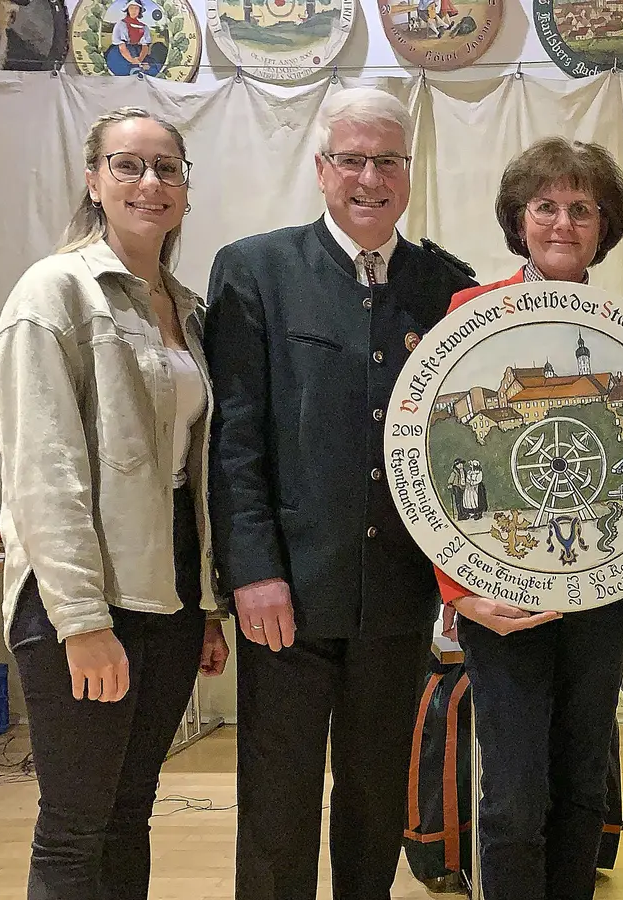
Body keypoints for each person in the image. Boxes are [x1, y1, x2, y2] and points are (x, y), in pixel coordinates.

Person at [204, 87, 477, 900]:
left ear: (408, 172)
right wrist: (251, 571)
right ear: (322, 170)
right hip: (285, 595)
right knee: (278, 806)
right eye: (351, 159)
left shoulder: (445, 284)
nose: (369, 177)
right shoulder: (254, 270)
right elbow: (235, 438)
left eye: (386, 161)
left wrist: (464, 577)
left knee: (372, 801)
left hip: (396, 597)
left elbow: (460, 444)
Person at [0, 106, 230, 900]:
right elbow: (43, 471)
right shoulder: (53, 292)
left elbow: (187, 473)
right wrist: (83, 622)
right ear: (94, 181)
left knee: (131, 811)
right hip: (82, 600)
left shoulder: (186, 311)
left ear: (186, 191)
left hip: (165, 592)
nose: (149, 183)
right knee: (74, 826)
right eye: (128, 165)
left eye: (167, 168)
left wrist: (203, 606)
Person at [434, 136, 623, 900]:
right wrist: (457, 591)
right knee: (515, 790)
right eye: (545, 207)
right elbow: (432, 464)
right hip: (502, 589)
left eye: (580, 208)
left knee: (583, 777)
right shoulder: (471, 315)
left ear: (603, 224)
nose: (562, 222)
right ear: (519, 222)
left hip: (602, 584)